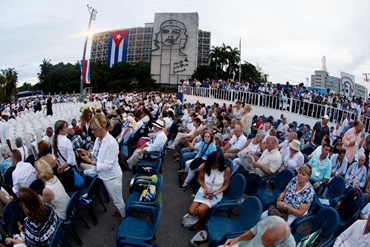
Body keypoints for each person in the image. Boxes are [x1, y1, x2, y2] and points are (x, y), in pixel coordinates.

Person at [77, 113, 126, 217]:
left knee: (118, 200)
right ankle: (121, 211)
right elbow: (96, 155)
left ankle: (124, 217)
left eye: (94, 129)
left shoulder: (111, 143)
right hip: (105, 175)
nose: (92, 132)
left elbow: (107, 166)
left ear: (102, 127)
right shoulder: (99, 140)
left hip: (112, 177)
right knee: (114, 198)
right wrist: (87, 153)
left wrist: (90, 162)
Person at [187, 151, 230, 230]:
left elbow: (226, 184)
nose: (215, 167)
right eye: (213, 164)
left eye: (217, 165)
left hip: (216, 193)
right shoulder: (204, 166)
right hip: (204, 190)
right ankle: (202, 215)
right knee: (191, 211)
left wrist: (218, 191)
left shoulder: (226, 169)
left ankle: (200, 222)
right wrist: (205, 187)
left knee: (200, 210)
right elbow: (200, 180)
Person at [223, 216, 295, 247]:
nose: (262, 243)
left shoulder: (290, 245)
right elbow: (254, 231)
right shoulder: (272, 220)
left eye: (265, 244)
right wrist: (237, 239)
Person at [52, 120, 77, 192]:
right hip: (68, 169)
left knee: (67, 188)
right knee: (72, 188)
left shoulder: (54, 140)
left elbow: (54, 156)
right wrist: (62, 167)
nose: (67, 128)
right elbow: (71, 159)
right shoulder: (66, 141)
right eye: (65, 127)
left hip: (62, 169)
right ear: (60, 130)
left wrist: (60, 166)